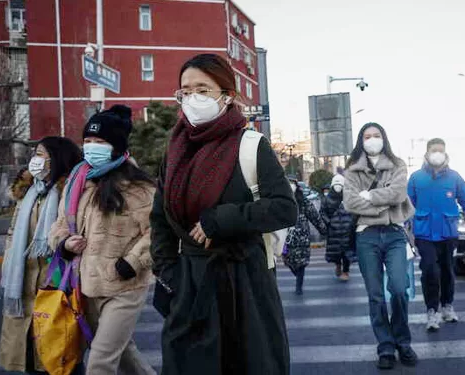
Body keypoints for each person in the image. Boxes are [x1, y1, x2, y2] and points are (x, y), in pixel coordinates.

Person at [149, 53, 297, 375]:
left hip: (245, 286)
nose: (192, 98)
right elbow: (160, 219)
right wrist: (171, 274)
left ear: (227, 96)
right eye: (185, 91)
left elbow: (285, 208)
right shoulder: (175, 152)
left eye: (203, 89)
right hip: (191, 286)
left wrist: (222, 218)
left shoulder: (250, 145)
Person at [49, 105, 157, 375]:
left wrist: (131, 263)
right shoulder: (77, 180)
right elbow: (59, 225)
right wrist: (64, 244)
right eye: (87, 141)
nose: (91, 147)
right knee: (123, 356)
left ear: (116, 147)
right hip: (86, 284)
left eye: (100, 142)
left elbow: (157, 232)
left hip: (125, 285)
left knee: (99, 362)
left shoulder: (138, 186)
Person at [0, 137, 82, 374]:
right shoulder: (30, 194)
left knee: (60, 354)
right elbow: (13, 235)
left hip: (56, 283)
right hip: (23, 283)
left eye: (41, 154)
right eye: (35, 153)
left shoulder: (70, 192)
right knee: (29, 354)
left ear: (57, 158)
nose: (35, 160)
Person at [343, 122, 417, 370]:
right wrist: (381, 199)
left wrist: (369, 197)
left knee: (398, 289)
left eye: (376, 135)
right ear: (360, 141)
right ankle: (385, 347)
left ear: (384, 138)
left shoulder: (398, 165)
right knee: (375, 296)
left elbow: (398, 194)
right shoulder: (352, 170)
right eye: (367, 136)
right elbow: (351, 203)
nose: (372, 139)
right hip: (366, 237)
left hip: (395, 234)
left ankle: (403, 342)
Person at [407, 138, 465, 332]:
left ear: (446, 153)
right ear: (427, 153)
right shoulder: (416, 178)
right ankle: (432, 310)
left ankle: (447, 306)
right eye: (434, 150)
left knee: (448, 269)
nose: (437, 154)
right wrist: (405, 228)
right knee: (430, 270)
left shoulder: (454, 178)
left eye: (440, 150)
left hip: (448, 233)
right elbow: (407, 205)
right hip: (424, 234)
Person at [283, 177, 327, 294]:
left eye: (293, 184)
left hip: (302, 237)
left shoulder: (303, 200)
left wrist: (323, 230)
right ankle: (297, 276)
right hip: (287, 238)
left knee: (302, 262)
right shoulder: (281, 201)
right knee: (289, 262)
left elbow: (314, 215)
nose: (291, 186)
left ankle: (299, 286)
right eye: (289, 184)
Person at [321, 174, 356, 281]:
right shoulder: (327, 199)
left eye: (340, 185)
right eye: (335, 184)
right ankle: (337, 265)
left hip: (347, 231)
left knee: (347, 252)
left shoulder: (348, 198)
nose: (338, 187)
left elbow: (354, 211)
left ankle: (346, 271)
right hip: (334, 231)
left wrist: (352, 223)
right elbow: (322, 212)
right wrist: (329, 223)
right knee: (335, 251)